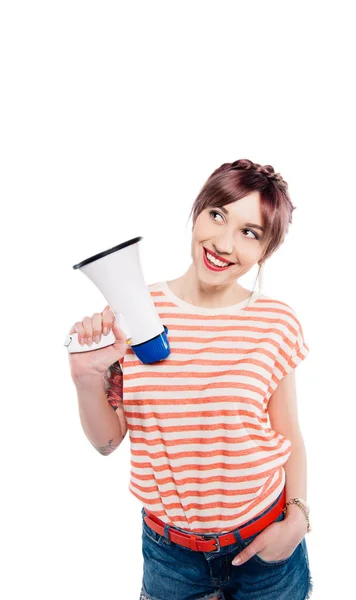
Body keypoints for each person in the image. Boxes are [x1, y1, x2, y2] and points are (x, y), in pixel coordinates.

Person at [68, 158, 313, 600]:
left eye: (249, 232)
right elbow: (108, 442)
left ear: (265, 250)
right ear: (197, 211)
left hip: (267, 548)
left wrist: (297, 518)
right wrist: (87, 379)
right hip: (170, 559)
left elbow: (287, 431)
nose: (222, 243)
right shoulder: (134, 315)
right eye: (217, 215)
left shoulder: (276, 323)